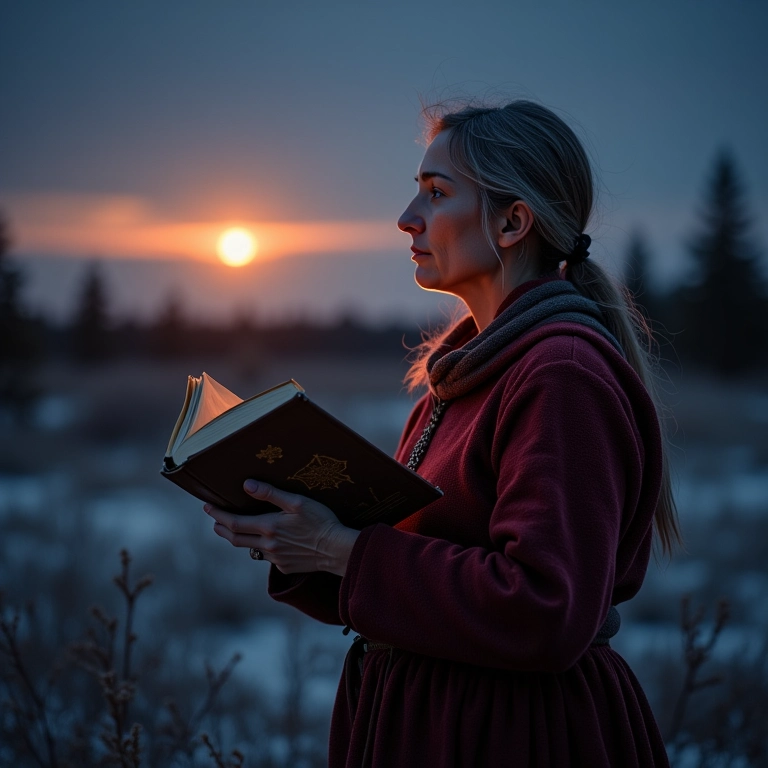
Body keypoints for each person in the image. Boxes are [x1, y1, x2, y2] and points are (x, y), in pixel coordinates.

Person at [204, 99, 679, 767]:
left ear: (513, 222)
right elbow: (429, 571)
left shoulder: (561, 375)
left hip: (517, 736)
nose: (407, 217)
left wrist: (346, 551)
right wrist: (302, 541)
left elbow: (547, 609)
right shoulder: (463, 374)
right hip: (430, 721)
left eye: (436, 193)